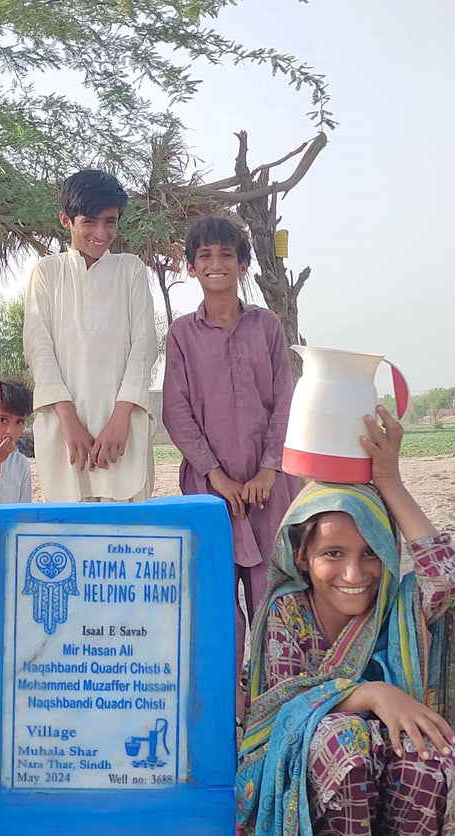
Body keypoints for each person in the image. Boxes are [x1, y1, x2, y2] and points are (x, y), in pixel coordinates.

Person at [236, 406, 455, 836]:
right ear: (302, 558)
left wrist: (390, 483)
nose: (354, 575)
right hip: (321, 773)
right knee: (341, 739)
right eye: (333, 554)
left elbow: (447, 578)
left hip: (391, 769)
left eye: (371, 552)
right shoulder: (288, 612)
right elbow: (284, 709)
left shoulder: (397, 605)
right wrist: (373, 693)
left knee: (433, 752)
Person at [161, 216, 303, 704]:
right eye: (205, 257)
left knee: (272, 593)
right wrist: (217, 476)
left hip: (271, 488)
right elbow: (176, 411)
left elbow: (285, 398)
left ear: (243, 264)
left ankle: (273, 698)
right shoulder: (181, 334)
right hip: (208, 490)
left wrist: (268, 467)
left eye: (227, 255)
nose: (216, 265)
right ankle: (227, 702)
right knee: (219, 598)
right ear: (191, 268)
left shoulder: (267, 326)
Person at [23, 168, 157, 503]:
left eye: (110, 221)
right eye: (90, 222)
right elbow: (39, 349)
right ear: (66, 220)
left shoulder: (131, 270)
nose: (101, 232)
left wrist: (121, 418)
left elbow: (143, 347)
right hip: (65, 433)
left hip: (122, 433)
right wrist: (69, 422)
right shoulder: (47, 272)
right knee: (73, 533)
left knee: (127, 538)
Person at [0, 380, 33, 506]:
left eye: (19, 422)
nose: (10, 431)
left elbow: (23, 511)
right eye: (3, 420)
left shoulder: (21, 465)